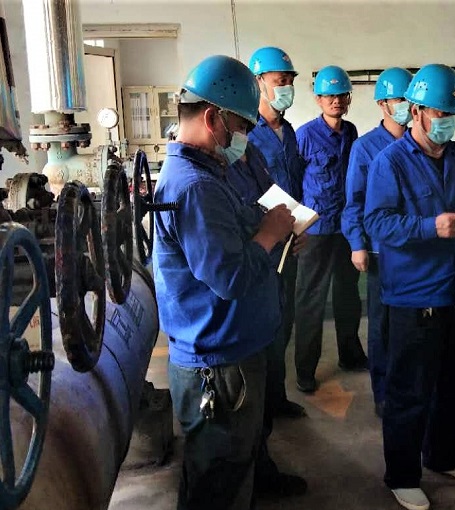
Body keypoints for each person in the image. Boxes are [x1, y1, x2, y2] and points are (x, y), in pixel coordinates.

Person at [153, 55, 294, 510]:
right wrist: (270, 233)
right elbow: (230, 277)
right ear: (213, 117)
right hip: (218, 364)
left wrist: (270, 228)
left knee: (227, 471)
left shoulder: (209, 173)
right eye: (241, 126)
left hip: (230, 351)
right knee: (218, 484)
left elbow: (231, 236)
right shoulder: (196, 186)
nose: (244, 137)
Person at [364, 63, 455, 510]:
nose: (447, 121)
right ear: (416, 111)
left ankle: (444, 455)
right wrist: (428, 227)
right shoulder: (390, 162)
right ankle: (402, 475)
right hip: (414, 296)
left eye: (453, 114)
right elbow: (376, 222)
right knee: (410, 391)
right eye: (440, 113)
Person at [226, 141, 308, 500]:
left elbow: (271, 202)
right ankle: (252, 476)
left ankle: (261, 466)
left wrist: (292, 229)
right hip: (241, 296)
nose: (242, 132)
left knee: (270, 364)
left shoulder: (252, 154)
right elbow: (226, 266)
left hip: (269, 274)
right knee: (239, 411)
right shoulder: (209, 174)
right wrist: (271, 235)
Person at [341, 67, 413, 418]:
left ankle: (410, 387)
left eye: (411, 100)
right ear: (383, 104)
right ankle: (383, 394)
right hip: (381, 250)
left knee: (413, 325)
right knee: (382, 326)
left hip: (415, 248)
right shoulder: (365, 148)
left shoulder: (419, 143)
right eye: (401, 100)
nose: (408, 107)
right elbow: (354, 200)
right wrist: (357, 243)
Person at [294, 65, 367, 393]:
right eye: (329, 96)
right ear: (318, 99)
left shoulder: (351, 132)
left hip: (345, 227)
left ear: (348, 98)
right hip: (315, 230)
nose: (336, 101)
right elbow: (295, 181)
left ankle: (350, 356)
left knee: (348, 294)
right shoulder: (305, 135)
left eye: (341, 95)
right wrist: (297, 226)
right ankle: (305, 370)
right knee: (311, 299)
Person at [247, 46, 307, 419]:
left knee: (285, 318)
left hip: (290, 239)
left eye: (289, 81)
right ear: (259, 84)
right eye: (279, 80)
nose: (286, 87)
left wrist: (300, 226)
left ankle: (277, 396)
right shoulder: (245, 135)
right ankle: (261, 405)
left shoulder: (290, 132)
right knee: (264, 321)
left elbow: (295, 185)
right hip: (262, 241)